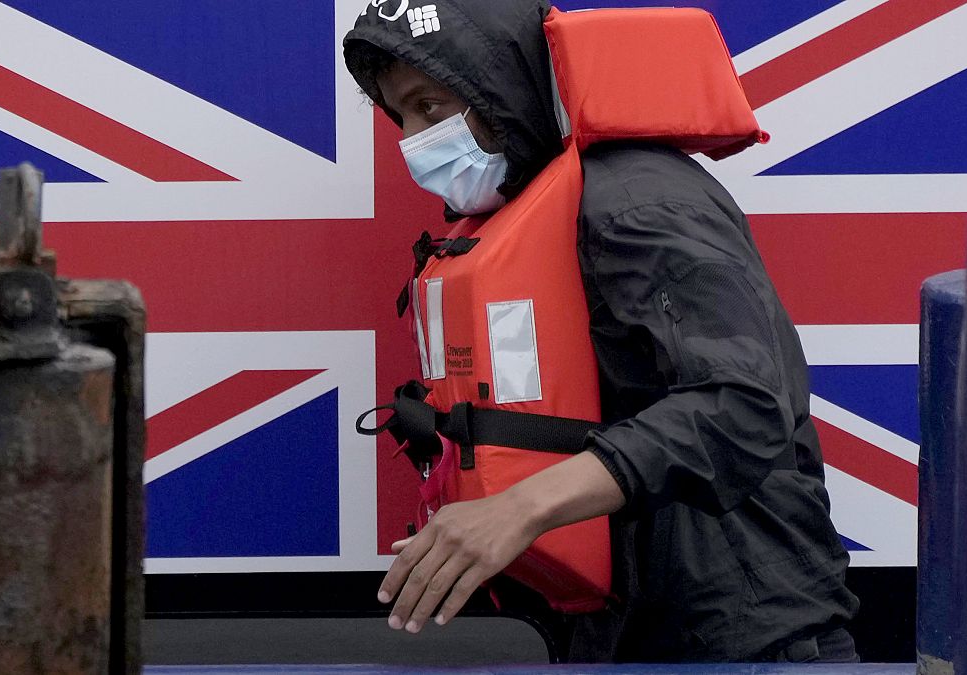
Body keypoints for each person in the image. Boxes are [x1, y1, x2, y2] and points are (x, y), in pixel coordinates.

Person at [343, 0, 859, 662]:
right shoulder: (538, 206)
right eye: (402, 115)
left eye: (431, 107)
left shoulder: (640, 201)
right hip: (627, 633)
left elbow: (744, 403)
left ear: (500, 88)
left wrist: (519, 508)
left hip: (745, 640)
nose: (414, 139)